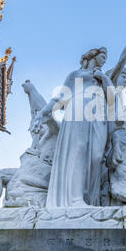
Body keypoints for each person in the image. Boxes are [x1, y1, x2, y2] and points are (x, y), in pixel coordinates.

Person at [32, 47, 114, 207]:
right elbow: (59, 98)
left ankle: (87, 196)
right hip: (79, 108)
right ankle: (76, 199)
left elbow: (112, 99)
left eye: (106, 57)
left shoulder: (102, 79)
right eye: (102, 56)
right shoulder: (76, 75)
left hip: (99, 114)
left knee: (97, 155)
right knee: (79, 149)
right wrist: (43, 113)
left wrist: (104, 79)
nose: (105, 59)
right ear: (93, 56)